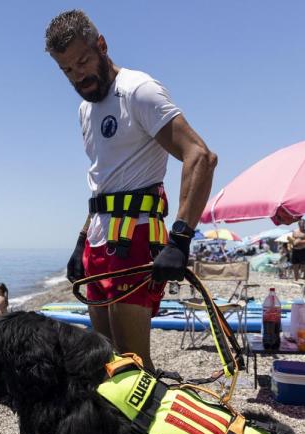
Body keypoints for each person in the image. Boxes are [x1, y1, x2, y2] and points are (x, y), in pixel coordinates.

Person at [48, 10, 216, 372]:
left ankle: (148, 428)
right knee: (105, 362)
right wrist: (81, 241)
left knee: (133, 364)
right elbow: (104, 182)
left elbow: (200, 157)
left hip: (135, 238)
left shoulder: (137, 90)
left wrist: (181, 239)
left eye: (83, 61)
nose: (79, 75)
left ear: (102, 45)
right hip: (98, 240)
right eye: (68, 70)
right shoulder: (84, 110)